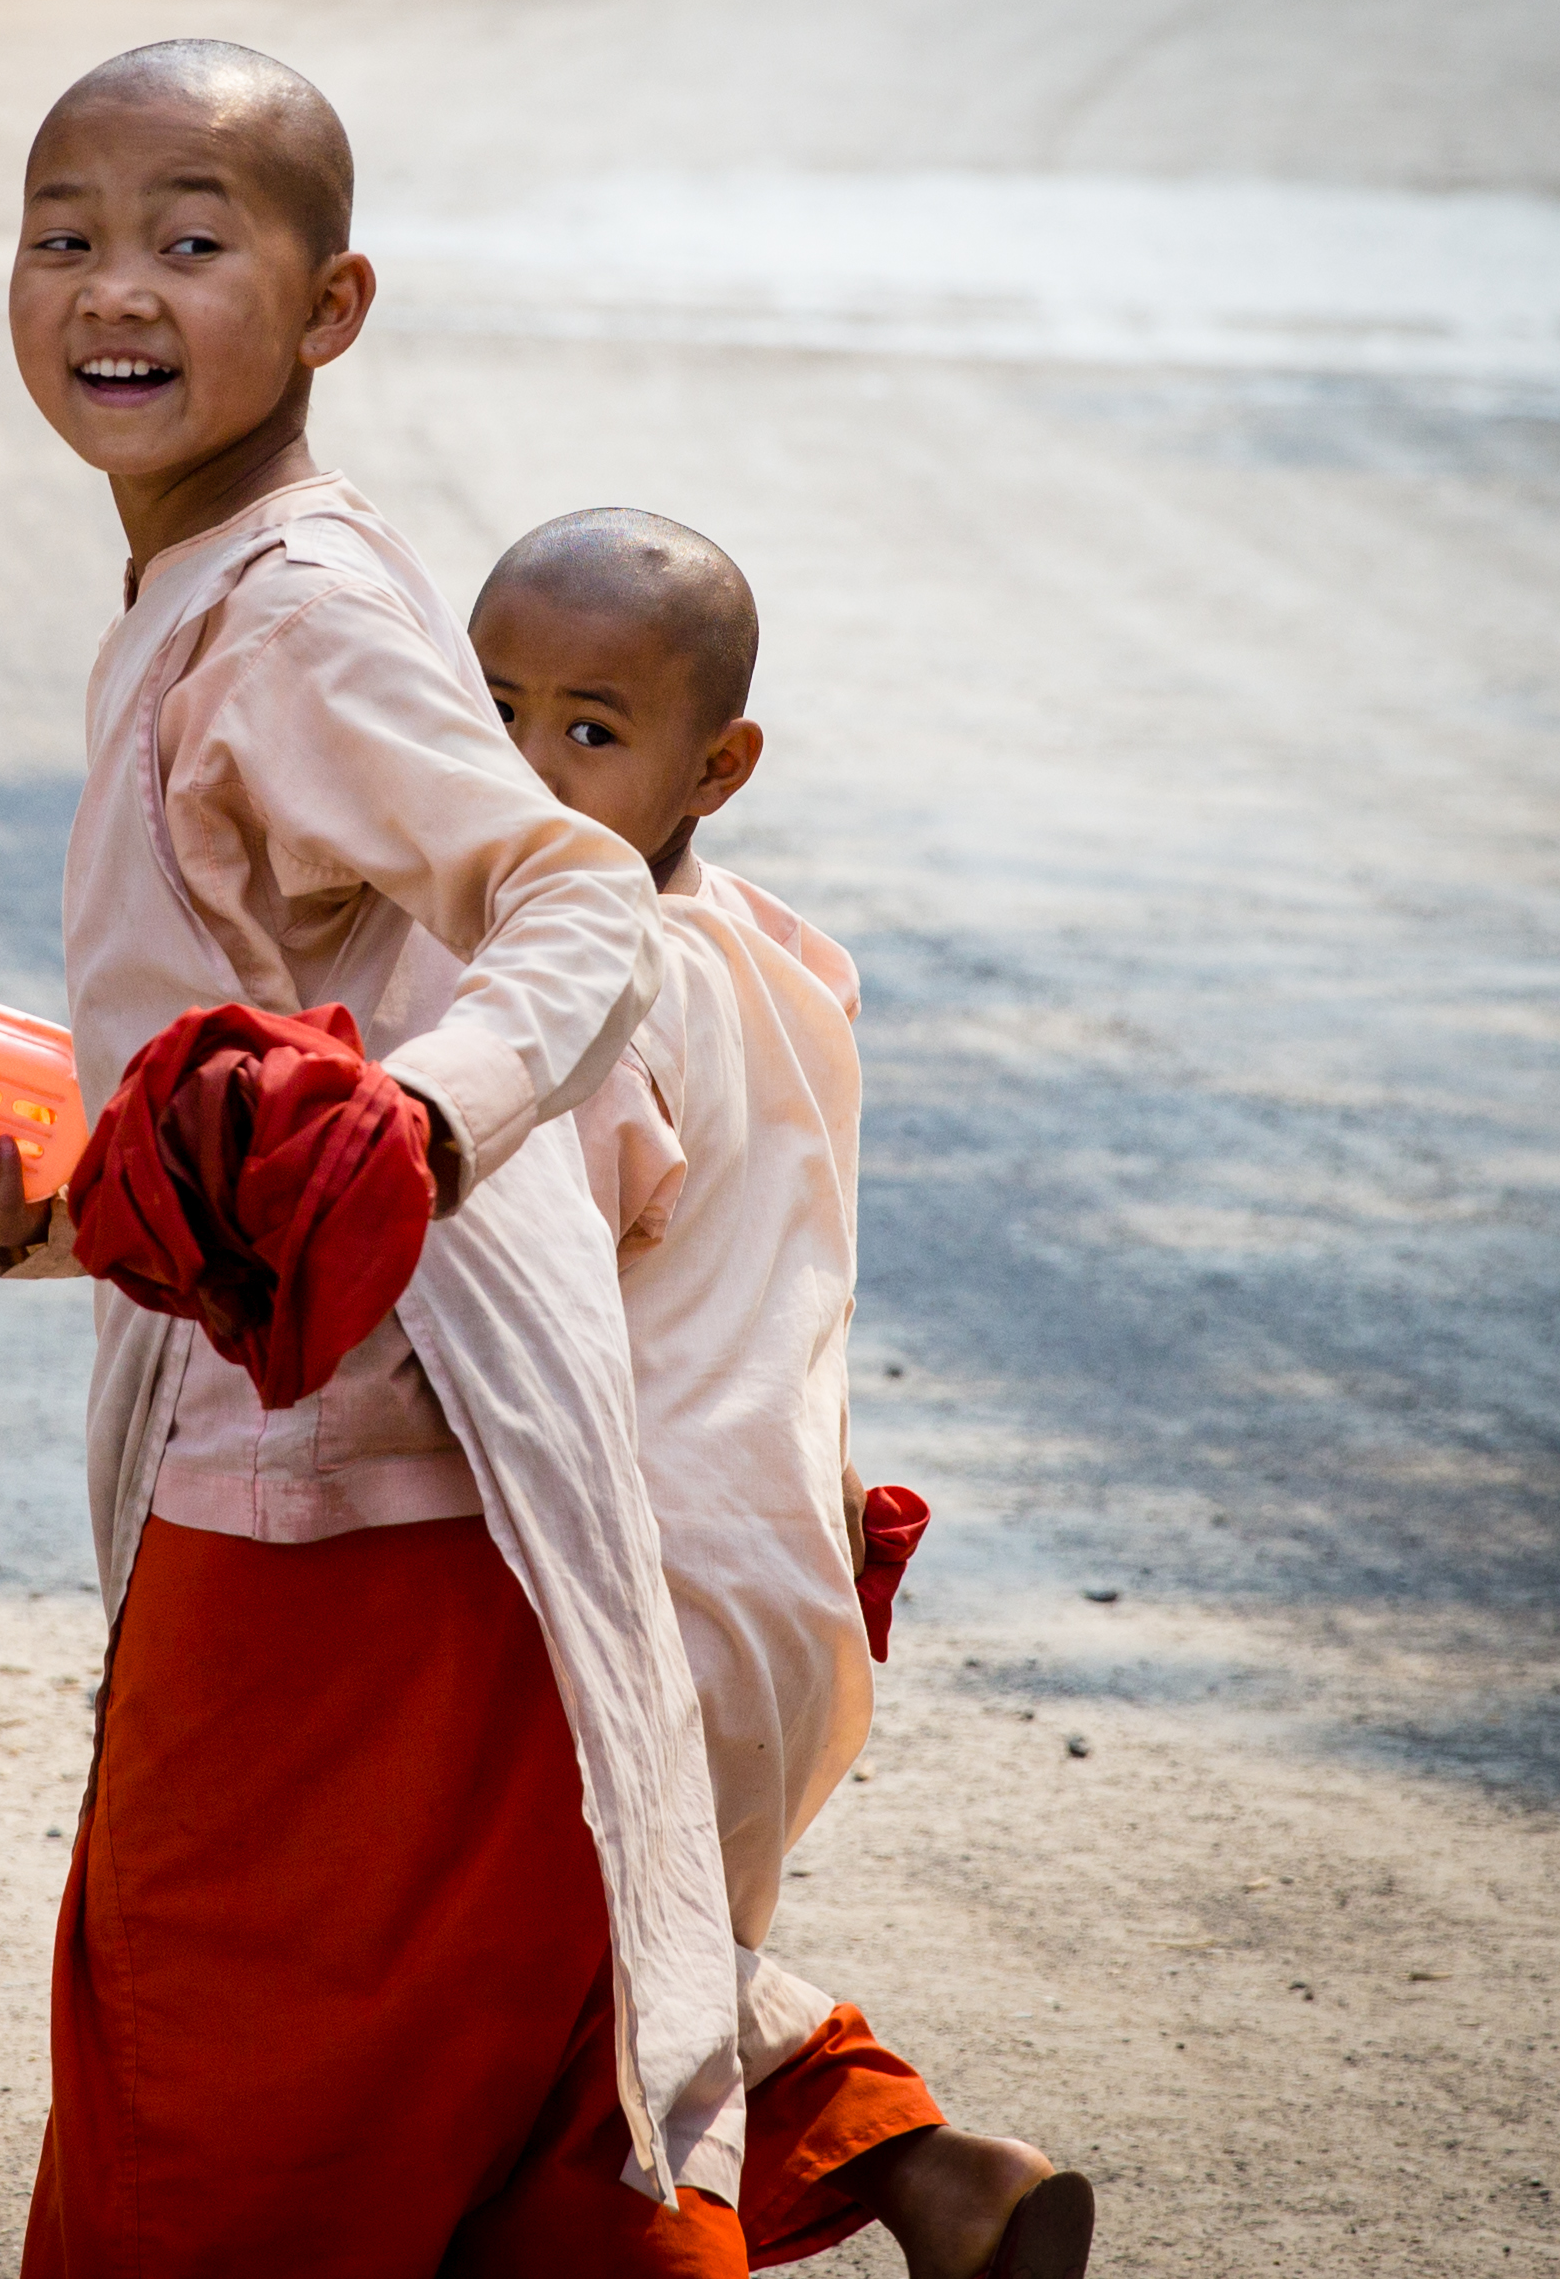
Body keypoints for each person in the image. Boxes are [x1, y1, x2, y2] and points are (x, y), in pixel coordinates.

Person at [0, 40, 749, 2274]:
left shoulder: (298, 613)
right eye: (61, 231)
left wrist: (418, 1133)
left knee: (207, 2109)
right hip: (360, 1450)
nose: (109, 287)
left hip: (327, 1513)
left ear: (329, 307)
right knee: (465, 2108)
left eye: (190, 236)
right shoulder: (212, 579)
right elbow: (275, 1076)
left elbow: (573, 900)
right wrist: (57, 1215)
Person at [475, 508, 1098, 2279]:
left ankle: (701, 2241)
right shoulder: (785, 958)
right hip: (786, 1581)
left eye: (585, 733)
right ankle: (921, 2165)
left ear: (715, 763)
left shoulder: (574, 986)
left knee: (551, 1999)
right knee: (632, 1946)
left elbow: (492, 1277)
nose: (521, 772)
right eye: (487, 712)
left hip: (623, 1587)